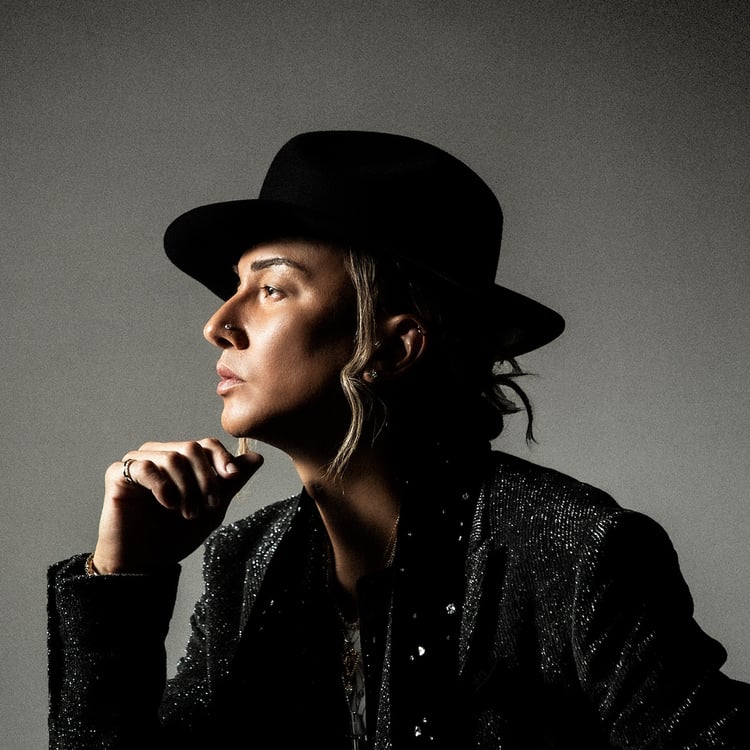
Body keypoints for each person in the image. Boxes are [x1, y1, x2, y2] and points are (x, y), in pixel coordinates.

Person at [47, 130, 749, 749]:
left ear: (393, 345)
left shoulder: (575, 551)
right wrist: (122, 580)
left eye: (273, 289)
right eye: (233, 288)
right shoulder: (247, 562)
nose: (218, 325)